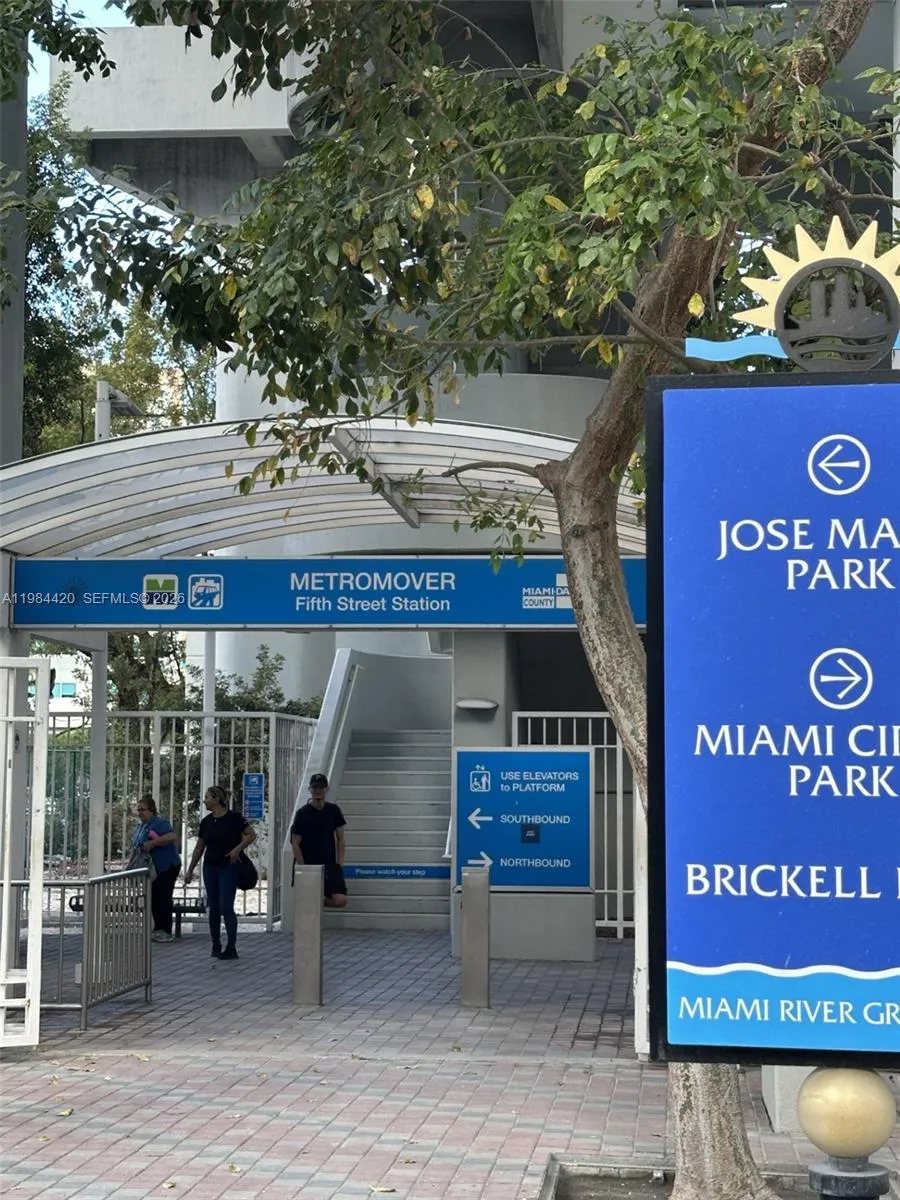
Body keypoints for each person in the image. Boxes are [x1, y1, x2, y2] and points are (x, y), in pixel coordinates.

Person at [184, 785, 256, 960]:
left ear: (216, 799)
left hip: (228, 865)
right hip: (210, 866)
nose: (205, 801)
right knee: (214, 906)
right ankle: (216, 944)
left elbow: (251, 834)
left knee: (226, 905)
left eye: (207, 797)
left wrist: (237, 849)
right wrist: (190, 869)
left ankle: (231, 946)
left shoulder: (234, 819)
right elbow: (200, 847)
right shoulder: (206, 822)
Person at [290, 773, 348, 908]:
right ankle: (312, 901)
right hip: (310, 865)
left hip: (330, 864)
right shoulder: (302, 813)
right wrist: (303, 867)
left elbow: (341, 838)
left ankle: (316, 900)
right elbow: (295, 843)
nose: (318, 790)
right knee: (308, 902)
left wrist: (339, 863)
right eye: (315, 787)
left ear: (326, 789)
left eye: (321, 787)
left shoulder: (333, 810)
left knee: (340, 900)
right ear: (310, 789)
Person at [132, 795, 181, 943]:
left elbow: (172, 836)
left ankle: (165, 929)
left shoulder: (160, 823)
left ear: (151, 810)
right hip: (151, 868)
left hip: (166, 866)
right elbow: (136, 847)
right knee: (153, 897)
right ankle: (158, 928)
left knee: (163, 896)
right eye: (138, 810)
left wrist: (153, 843)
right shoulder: (140, 826)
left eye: (143, 810)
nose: (140, 813)